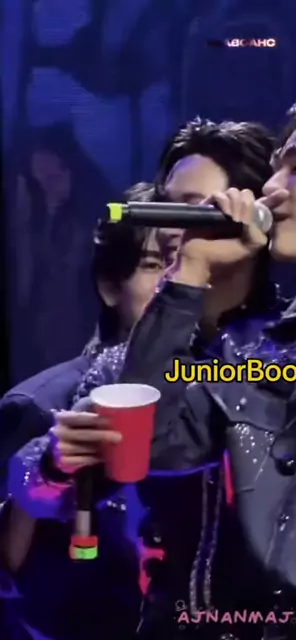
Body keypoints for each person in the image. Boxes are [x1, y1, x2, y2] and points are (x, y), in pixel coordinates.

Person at [9, 111, 296, 640]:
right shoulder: (258, 354)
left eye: (295, 169)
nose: (174, 226)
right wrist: (189, 274)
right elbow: (145, 447)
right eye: (168, 204)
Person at [0, 182, 181, 640]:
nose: (176, 283)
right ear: (110, 286)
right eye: (154, 265)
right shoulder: (41, 405)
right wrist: (47, 474)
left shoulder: (232, 388)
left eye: (185, 263)